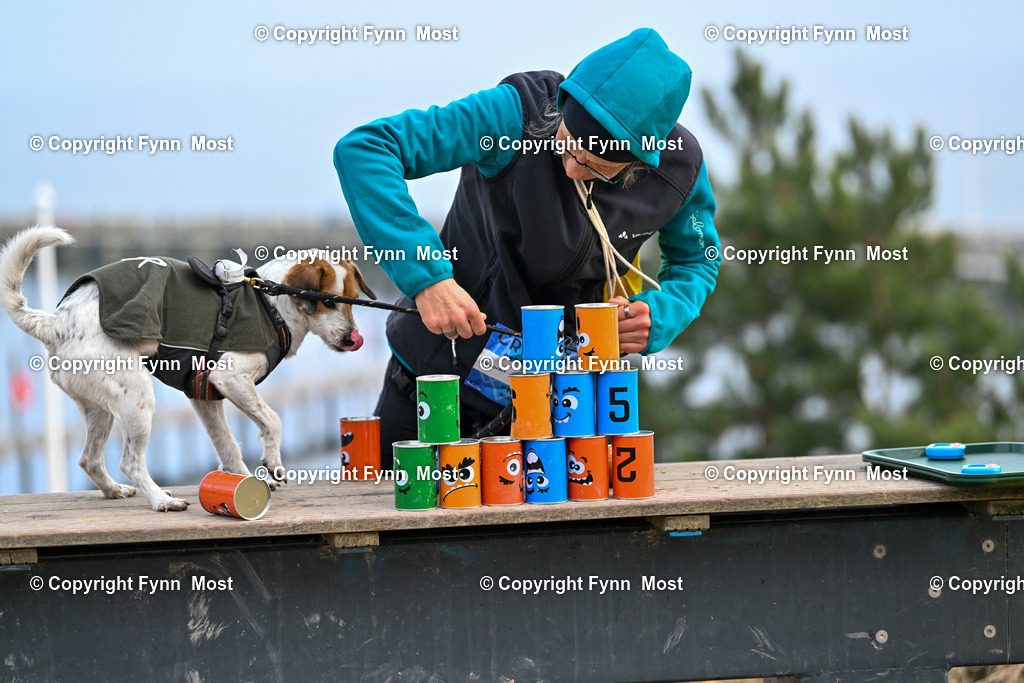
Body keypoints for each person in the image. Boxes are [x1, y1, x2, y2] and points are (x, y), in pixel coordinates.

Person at [334, 28, 721, 468]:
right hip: (433, 380)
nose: (573, 169)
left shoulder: (680, 171)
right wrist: (428, 277)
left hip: (559, 407)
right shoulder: (515, 114)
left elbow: (696, 259)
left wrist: (662, 315)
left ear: (642, 159)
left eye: (596, 167)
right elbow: (366, 149)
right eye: (567, 145)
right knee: (391, 523)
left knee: (545, 536)